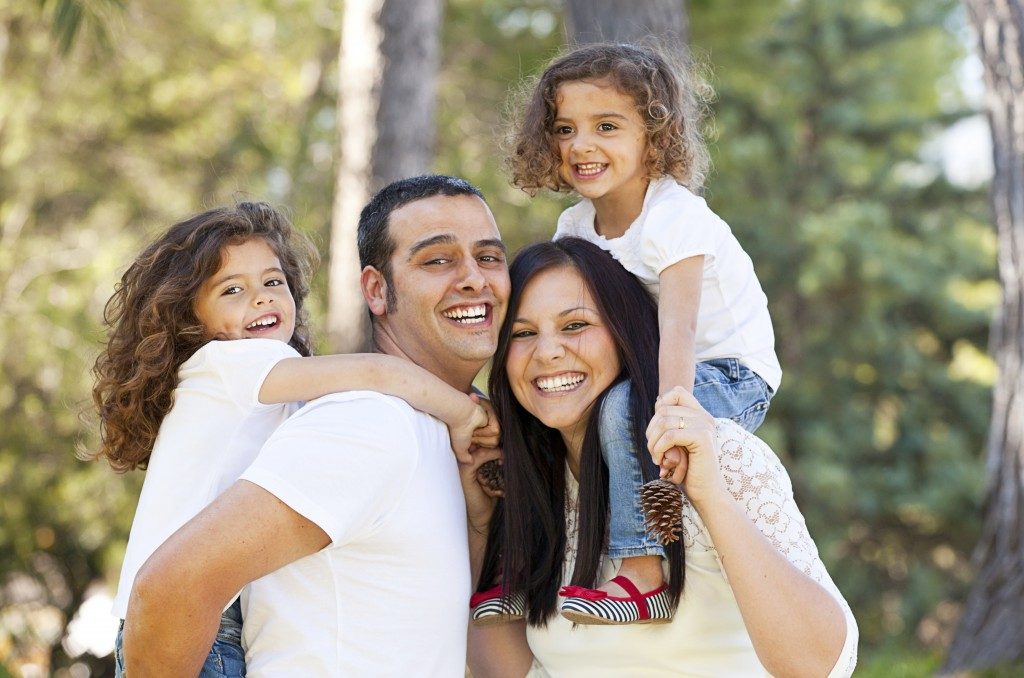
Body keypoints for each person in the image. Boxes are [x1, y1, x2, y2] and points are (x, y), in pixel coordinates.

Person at [116, 176, 507, 676]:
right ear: (375, 289)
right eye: (438, 260)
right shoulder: (367, 421)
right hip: (207, 634)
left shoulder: (402, 427)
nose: (475, 278)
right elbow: (168, 589)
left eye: (490, 257)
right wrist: (464, 409)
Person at [474, 41, 783, 625]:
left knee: (619, 409)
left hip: (730, 374)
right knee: (544, 417)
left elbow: (679, 323)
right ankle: (524, 572)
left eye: (607, 126)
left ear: (655, 136)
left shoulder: (675, 217)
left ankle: (644, 575)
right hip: (651, 362)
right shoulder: (575, 226)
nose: (580, 146)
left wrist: (669, 407)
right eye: (564, 129)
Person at [467, 237, 857, 677]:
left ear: (624, 333)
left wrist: (710, 496)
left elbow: (820, 665)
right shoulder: (532, 488)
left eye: (575, 325)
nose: (548, 351)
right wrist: (481, 521)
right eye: (522, 333)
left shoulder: (717, 453)